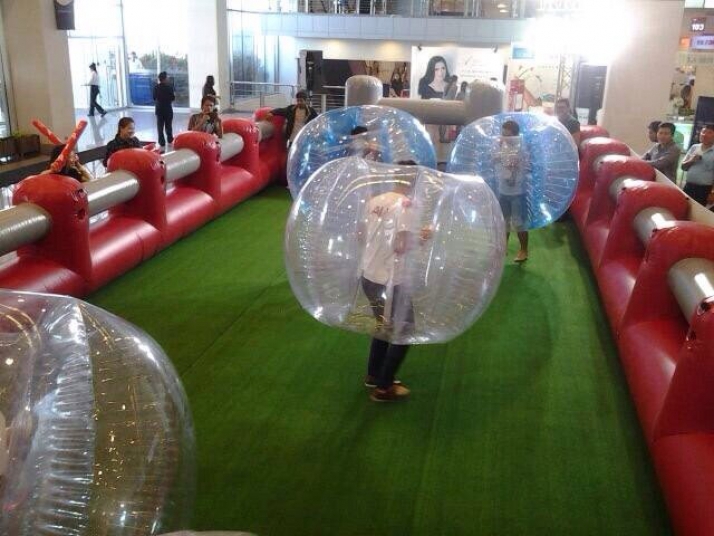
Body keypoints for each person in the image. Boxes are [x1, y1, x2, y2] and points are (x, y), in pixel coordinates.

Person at [358, 161, 432, 402]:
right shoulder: (405, 206)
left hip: (369, 275)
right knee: (405, 328)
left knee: (384, 326)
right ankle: (384, 386)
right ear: (412, 181)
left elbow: (361, 234)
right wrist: (422, 237)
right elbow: (401, 246)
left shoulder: (375, 201)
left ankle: (374, 374)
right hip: (389, 280)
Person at [494, 120, 530, 262]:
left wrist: (515, 162)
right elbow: (494, 163)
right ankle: (504, 248)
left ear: (515, 136)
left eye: (507, 135)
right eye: (502, 134)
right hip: (503, 191)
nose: (504, 138)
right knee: (504, 221)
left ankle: (524, 250)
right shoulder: (501, 147)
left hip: (517, 193)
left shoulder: (521, 149)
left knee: (518, 222)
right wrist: (497, 154)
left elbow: (524, 167)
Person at [681, 123, 714, 208]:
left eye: (709, 132)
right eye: (703, 132)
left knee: (698, 212)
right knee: (683, 207)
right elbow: (683, 167)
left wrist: (712, 193)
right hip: (688, 186)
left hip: (704, 190)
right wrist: (691, 160)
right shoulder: (694, 147)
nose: (704, 135)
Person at [153, 71, 175, 149]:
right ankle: (170, 139)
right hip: (168, 109)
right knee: (168, 125)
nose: (168, 78)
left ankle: (161, 142)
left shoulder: (156, 87)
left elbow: (154, 97)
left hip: (159, 109)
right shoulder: (169, 87)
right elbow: (173, 98)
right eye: (167, 77)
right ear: (165, 78)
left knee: (160, 126)